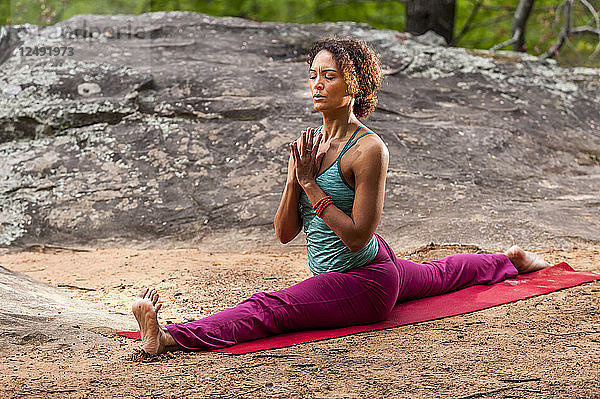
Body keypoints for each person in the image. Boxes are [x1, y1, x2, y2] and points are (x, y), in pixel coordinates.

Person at [132, 37, 550, 355]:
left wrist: (312, 184)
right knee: (438, 275)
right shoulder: (310, 142)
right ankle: (509, 260)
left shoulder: (369, 150)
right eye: (313, 75)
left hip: (365, 281)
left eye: (328, 76)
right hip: (367, 265)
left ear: (354, 83)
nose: (317, 85)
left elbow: (357, 237)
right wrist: (296, 177)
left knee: (270, 307)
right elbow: (284, 233)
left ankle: (168, 337)